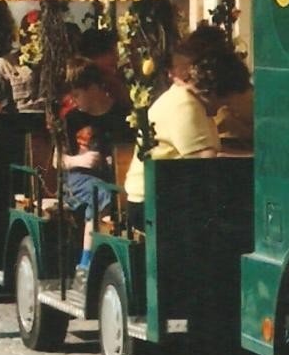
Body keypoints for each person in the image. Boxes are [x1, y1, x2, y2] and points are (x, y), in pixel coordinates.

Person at [123, 28, 222, 229]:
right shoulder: (183, 104)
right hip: (154, 202)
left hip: (168, 195)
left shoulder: (191, 101)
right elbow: (203, 162)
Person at [61, 62, 129, 272]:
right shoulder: (72, 119)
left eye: (77, 94)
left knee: (110, 192)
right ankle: (86, 262)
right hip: (76, 179)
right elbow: (57, 159)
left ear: (93, 89)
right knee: (101, 194)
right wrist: (79, 161)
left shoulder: (121, 115)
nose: (73, 100)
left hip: (113, 176)